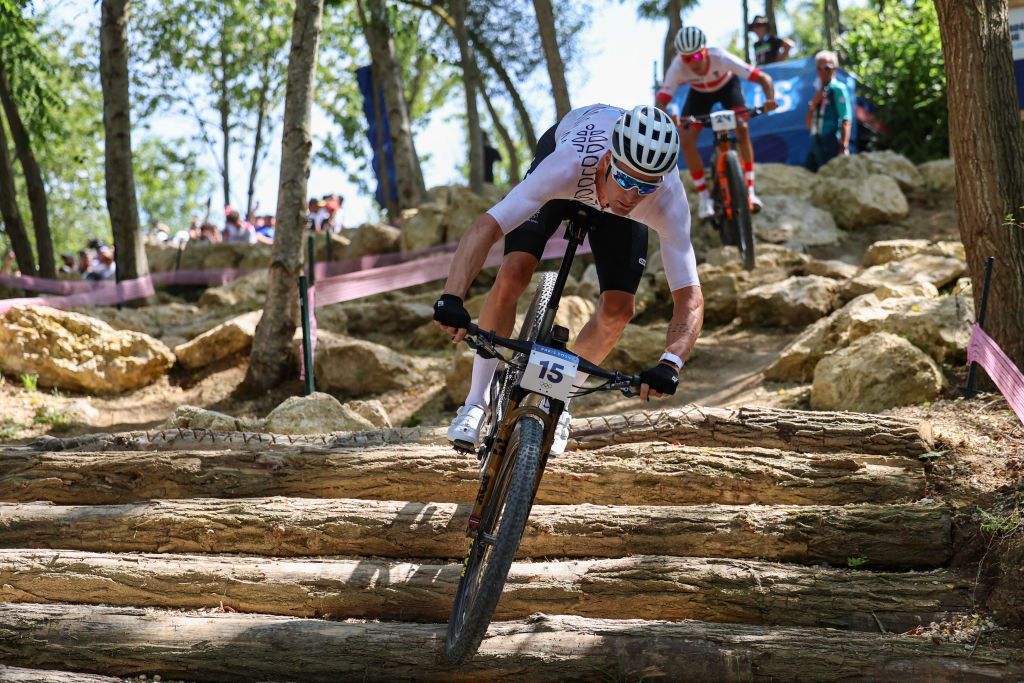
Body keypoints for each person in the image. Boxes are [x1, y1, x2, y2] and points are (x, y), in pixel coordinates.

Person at [432, 104, 705, 455]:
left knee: (619, 310)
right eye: (625, 179)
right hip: (570, 170)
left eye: (645, 186)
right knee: (515, 270)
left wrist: (672, 362)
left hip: (612, 203)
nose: (631, 196)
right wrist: (452, 296)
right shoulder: (567, 165)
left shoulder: (667, 199)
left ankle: (558, 399)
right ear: (609, 159)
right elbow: (487, 227)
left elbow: (690, 298)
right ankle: (475, 402)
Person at [655, 26, 778, 219]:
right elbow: (661, 100)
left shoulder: (720, 57)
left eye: (696, 56)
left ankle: (751, 191)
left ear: (705, 50)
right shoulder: (678, 66)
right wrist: (667, 115)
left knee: (743, 128)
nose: (692, 63)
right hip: (699, 95)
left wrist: (770, 99)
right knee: (686, 139)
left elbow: (764, 78)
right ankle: (705, 197)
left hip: (727, 87)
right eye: (687, 58)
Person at [804, 50, 852, 172]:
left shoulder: (838, 89)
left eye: (826, 67)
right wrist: (814, 103)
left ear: (834, 69)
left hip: (831, 141)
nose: (822, 71)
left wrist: (843, 146)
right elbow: (808, 124)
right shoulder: (819, 90)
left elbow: (846, 118)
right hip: (816, 141)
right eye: (819, 68)